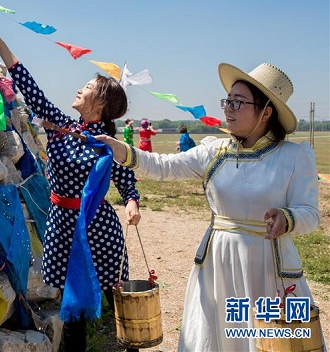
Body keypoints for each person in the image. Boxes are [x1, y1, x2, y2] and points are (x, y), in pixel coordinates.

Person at [96, 62, 321, 352]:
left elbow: (311, 214)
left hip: (268, 266)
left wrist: (287, 218)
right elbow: (163, 166)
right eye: (227, 100)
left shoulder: (294, 156)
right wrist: (121, 149)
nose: (228, 108)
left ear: (266, 112)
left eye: (238, 102)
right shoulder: (215, 151)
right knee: (217, 337)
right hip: (219, 263)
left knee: (273, 340)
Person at [0, 33, 141, 352]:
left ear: (99, 104)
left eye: (86, 88)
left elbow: (125, 180)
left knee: (116, 298)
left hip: (96, 230)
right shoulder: (61, 127)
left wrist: (131, 202)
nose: (78, 89)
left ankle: (131, 344)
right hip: (62, 227)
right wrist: (2, 47)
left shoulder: (108, 143)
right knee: (73, 307)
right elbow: (31, 91)